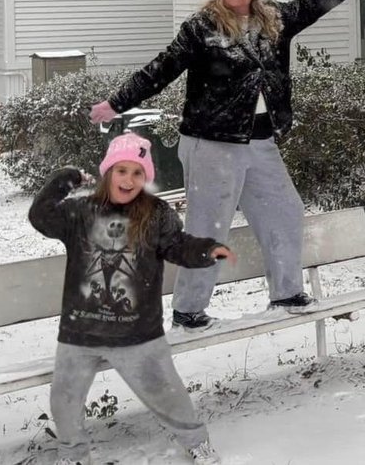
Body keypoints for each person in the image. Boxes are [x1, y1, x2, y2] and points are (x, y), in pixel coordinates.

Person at [89, 0, 365, 329]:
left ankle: (286, 293)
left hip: (260, 140)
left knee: (285, 211)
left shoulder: (274, 20)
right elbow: (161, 69)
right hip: (212, 142)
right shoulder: (201, 29)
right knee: (209, 226)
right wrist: (116, 103)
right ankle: (188, 310)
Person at [29, 133, 234, 465]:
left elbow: (177, 245)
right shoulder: (80, 213)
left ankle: (196, 442)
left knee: (167, 393)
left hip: (137, 334)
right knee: (64, 400)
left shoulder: (155, 215)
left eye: (137, 172)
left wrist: (205, 249)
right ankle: (73, 455)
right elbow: (40, 216)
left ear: (146, 178)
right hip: (81, 333)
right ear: (108, 172)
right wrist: (64, 179)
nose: (129, 179)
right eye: (121, 170)